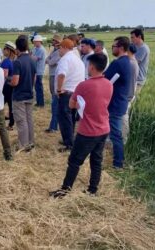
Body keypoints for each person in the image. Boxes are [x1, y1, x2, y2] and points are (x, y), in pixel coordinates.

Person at [49, 53, 113, 198]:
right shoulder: (108, 84)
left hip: (88, 131)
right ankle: (92, 189)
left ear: (91, 66)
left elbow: (72, 104)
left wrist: (81, 104)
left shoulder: (84, 85)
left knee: (74, 161)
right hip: (103, 128)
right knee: (96, 160)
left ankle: (65, 190)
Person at [104, 36, 132, 169]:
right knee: (115, 134)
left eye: (113, 46)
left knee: (115, 135)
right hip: (121, 102)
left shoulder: (118, 63)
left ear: (120, 48)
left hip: (114, 104)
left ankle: (118, 163)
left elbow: (104, 78)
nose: (112, 48)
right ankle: (117, 161)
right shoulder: (128, 61)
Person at [55, 39, 85, 152]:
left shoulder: (65, 59)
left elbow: (62, 74)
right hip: (76, 92)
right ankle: (70, 139)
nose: (59, 50)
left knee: (64, 118)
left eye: (60, 48)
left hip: (67, 93)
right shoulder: (77, 59)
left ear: (64, 47)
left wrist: (58, 89)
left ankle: (68, 144)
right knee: (71, 117)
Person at [10, 35, 36, 152]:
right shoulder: (32, 59)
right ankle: (31, 142)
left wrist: (8, 81)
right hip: (29, 94)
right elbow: (34, 78)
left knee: (21, 121)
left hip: (19, 96)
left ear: (17, 48)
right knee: (29, 119)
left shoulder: (18, 62)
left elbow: (15, 82)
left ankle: (23, 145)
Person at [44, 34, 62, 133]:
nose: (53, 42)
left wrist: (49, 60)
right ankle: (53, 125)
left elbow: (50, 62)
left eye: (54, 41)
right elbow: (47, 59)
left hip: (55, 75)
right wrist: (49, 60)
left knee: (55, 101)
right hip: (52, 75)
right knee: (54, 100)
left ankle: (54, 126)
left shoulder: (59, 51)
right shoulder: (55, 50)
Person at [123, 44, 139, 143]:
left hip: (126, 95)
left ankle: (124, 140)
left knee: (124, 118)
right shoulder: (134, 62)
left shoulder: (130, 63)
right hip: (129, 94)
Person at [0, 41, 17, 130]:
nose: (3, 50)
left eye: (5, 49)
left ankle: (3, 123)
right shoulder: (13, 60)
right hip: (11, 87)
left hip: (6, 87)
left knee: (0, 104)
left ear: (9, 50)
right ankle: (11, 123)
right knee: (11, 105)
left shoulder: (6, 62)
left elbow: (4, 76)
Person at [130, 28, 150, 94]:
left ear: (139, 37)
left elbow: (134, 62)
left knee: (133, 99)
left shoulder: (143, 48)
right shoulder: (134, 46)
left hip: (138, 79)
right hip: (133, 78)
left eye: (133, 37)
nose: (131, 40)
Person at [31, 35, 47, 107]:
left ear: (39, 42)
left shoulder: (41, 50)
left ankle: (41, 103)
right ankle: (39, 102)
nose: (34, 43)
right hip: (36, 71)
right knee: (37, 87)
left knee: (39, 87)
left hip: (39, 71)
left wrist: (28, 56)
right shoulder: (35, 48)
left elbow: (35, 58)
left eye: (35, 41)